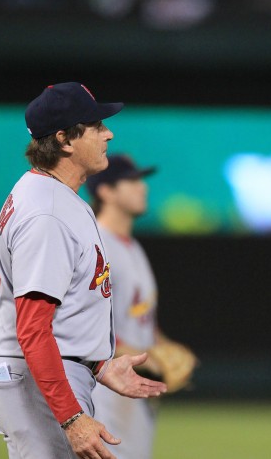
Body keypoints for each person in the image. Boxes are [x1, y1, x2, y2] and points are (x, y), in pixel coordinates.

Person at [0, 82, 167, 459]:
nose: (108, 133)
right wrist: (71, 419)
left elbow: (62, 316)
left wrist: (98, 365)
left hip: (45, 377)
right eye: (96, 125)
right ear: (65, 139)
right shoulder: (47, 213)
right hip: (39, 383)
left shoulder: (53, 195)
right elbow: (33, 328)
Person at [86, 154, 198, 459]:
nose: (142, 188)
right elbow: (90, 328)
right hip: (103, 393)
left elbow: (141, 317)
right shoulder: (96, 246)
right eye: (132, 181)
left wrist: (165, 346)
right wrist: (150, 358)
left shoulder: (132, 247)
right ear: (105, 191)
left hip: (133, 393)